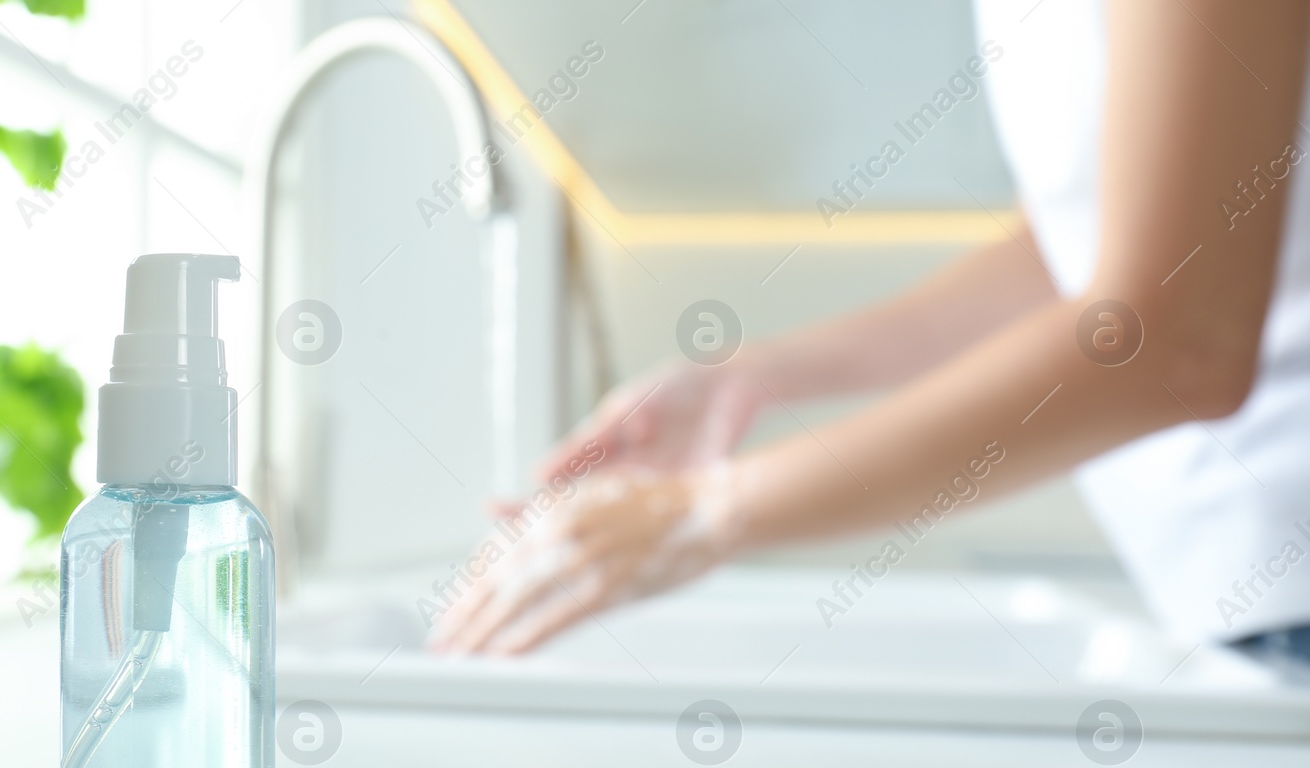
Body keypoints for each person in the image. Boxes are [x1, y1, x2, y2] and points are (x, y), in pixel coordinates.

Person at [431, 0, 1310, 663]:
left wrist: (702, 511)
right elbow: (1091, 239)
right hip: (1243, 610)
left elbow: (1183, 339)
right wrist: (762, 376)